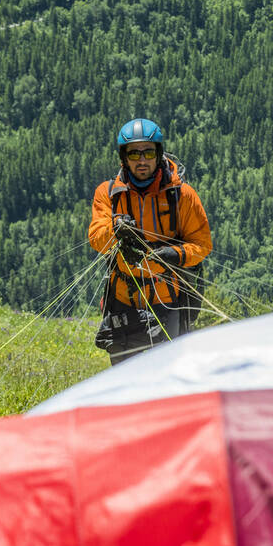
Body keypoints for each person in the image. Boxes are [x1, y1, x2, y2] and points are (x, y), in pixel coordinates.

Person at [89, 118, 212, 364]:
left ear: (159, 154)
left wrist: (175, 255)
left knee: (169, 375)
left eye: (148, 152)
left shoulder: (182, 195)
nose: (142, 160)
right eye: (134, 153)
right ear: (123, 157)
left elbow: (202, 245)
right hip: (124, 299)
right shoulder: (108, 193)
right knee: (123, 379)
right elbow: (96, 238)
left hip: (168, 300)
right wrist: (115, 229)